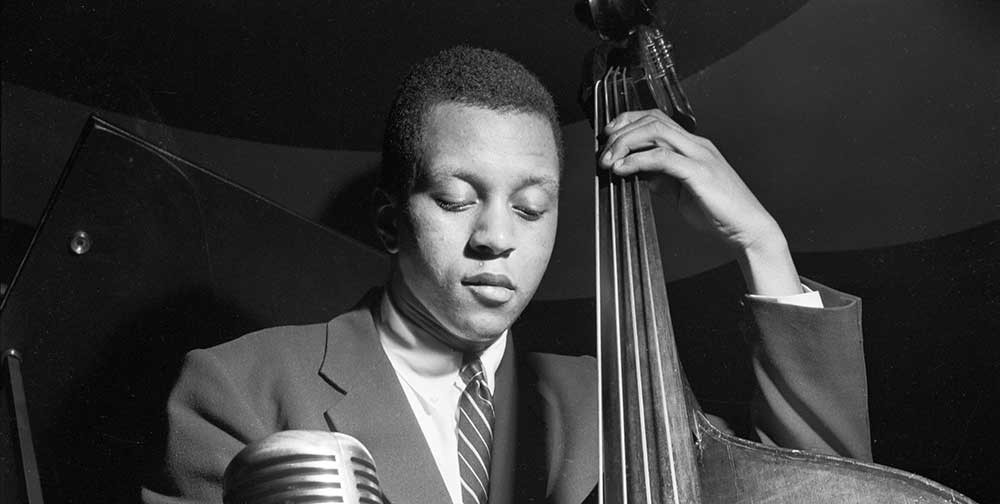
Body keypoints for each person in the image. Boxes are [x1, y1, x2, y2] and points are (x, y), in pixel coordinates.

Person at [142, 46, 870, 504]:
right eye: (457, 200)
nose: (495, 238)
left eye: (531, 209)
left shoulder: (616, 403)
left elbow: (828, 494)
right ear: (390, 220)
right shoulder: (235, 390)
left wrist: (762, 243)